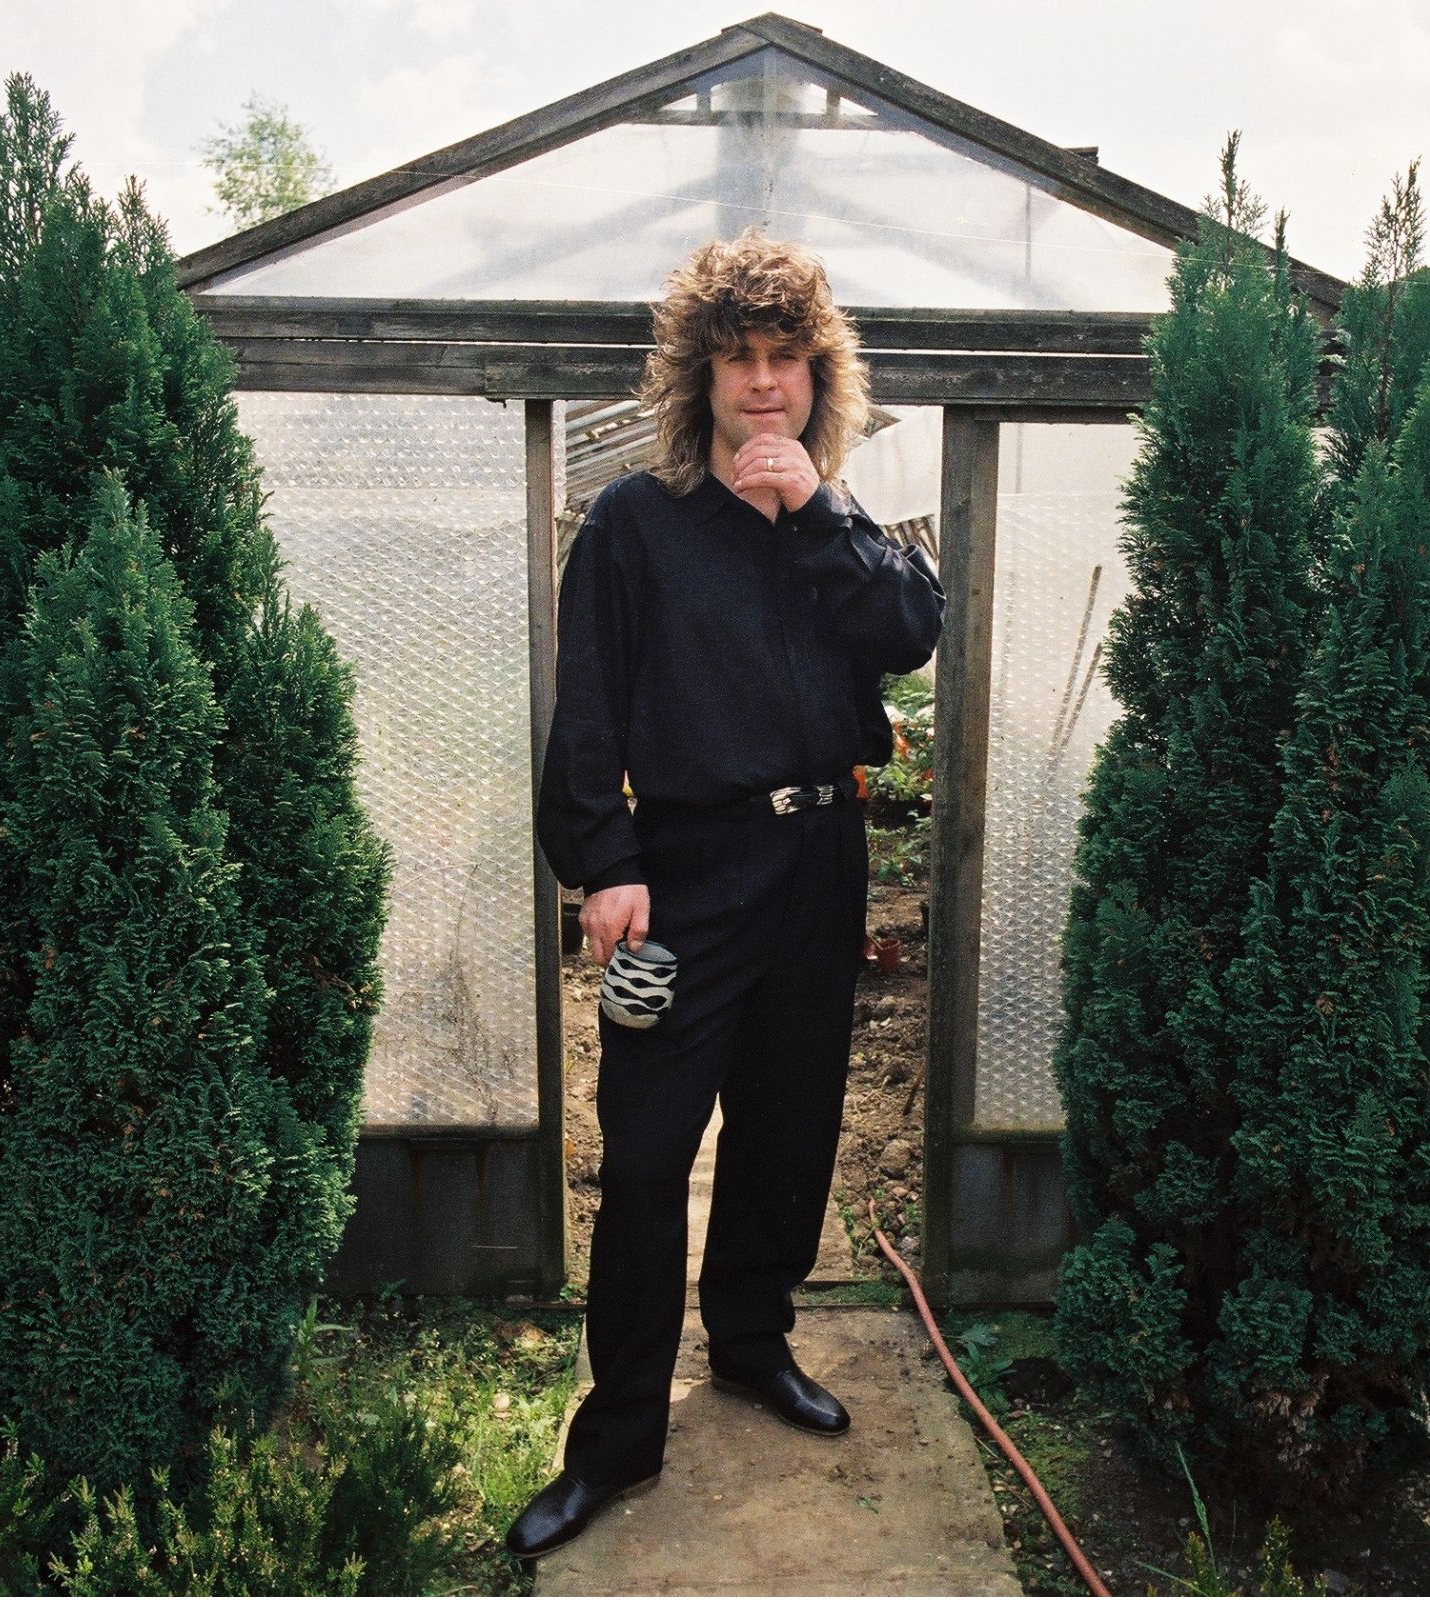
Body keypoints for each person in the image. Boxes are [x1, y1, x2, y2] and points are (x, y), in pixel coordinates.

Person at [505, 230, 945, 1561]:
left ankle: (752, 1342)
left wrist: (814, 509)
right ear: (696, 380)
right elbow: (587, 712)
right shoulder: (637, 527)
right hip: (686, 877)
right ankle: (623, 1431)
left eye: (787, 360)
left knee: (791, 1124)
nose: (764, 385)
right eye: (738, 360)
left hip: (821, 864)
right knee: (643, 1155)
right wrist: (608, 865)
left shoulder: (841, 516)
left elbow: (911, 632)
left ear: (823, 376)